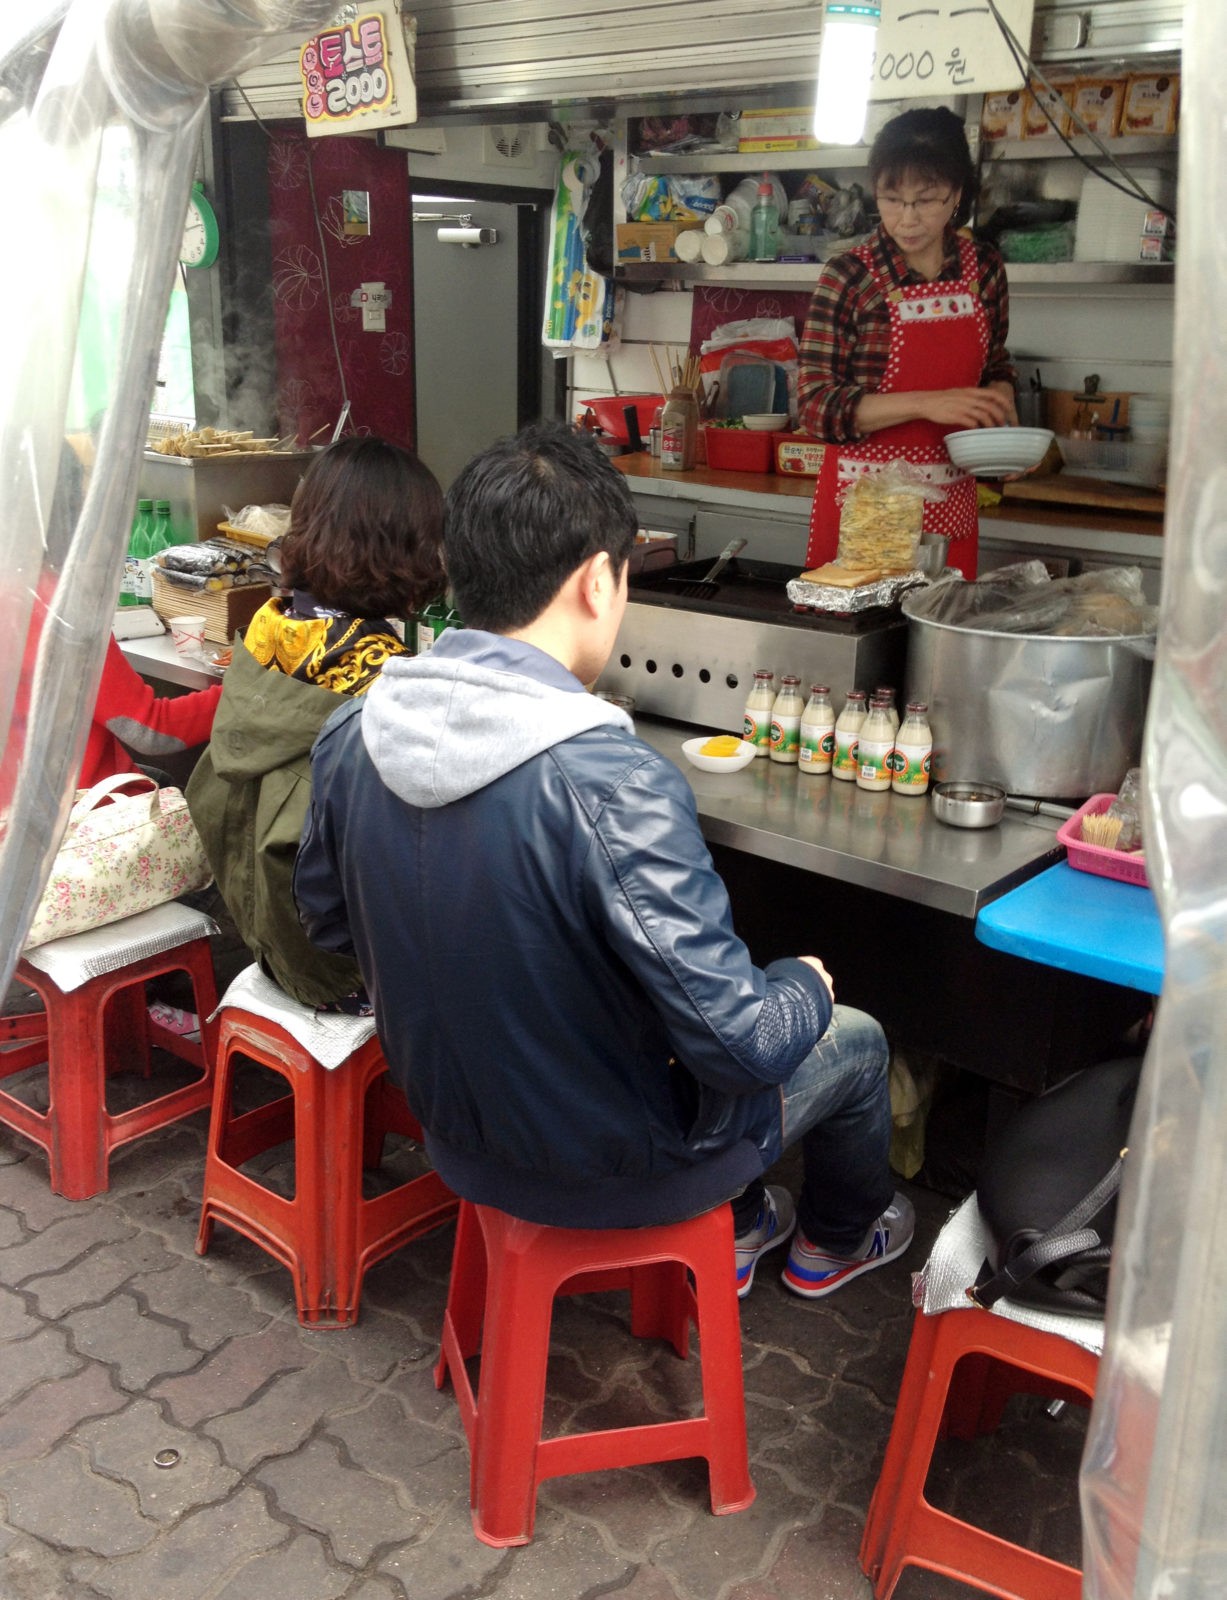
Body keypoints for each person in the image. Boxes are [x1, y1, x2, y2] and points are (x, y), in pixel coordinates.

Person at [294, 422, 913, 1300]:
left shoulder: (352, 730)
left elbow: (327, 920)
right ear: (597, 581)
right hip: (618, 1161)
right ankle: (831, 1244)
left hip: (456, 1133)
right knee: (855, 1038)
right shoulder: (614, 782)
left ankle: (742, 1222)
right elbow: (741, 1049)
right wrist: (803, 984)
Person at [186, 435, 445, 1011]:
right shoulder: (382, 674)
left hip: (266, 933)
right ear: (405, 548)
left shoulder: (268, 624)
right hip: (345, 971)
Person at [798, 106, 1018, 579]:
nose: (907, 219)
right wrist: (926, 404)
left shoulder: (983, 269)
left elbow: (994, 363)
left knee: (940, 624)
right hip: (863, 514)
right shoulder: (849, 277)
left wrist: (1002, 410)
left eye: (927, 200)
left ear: (956, 194)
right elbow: (815, 407)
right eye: (892, 199)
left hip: (949, 513)